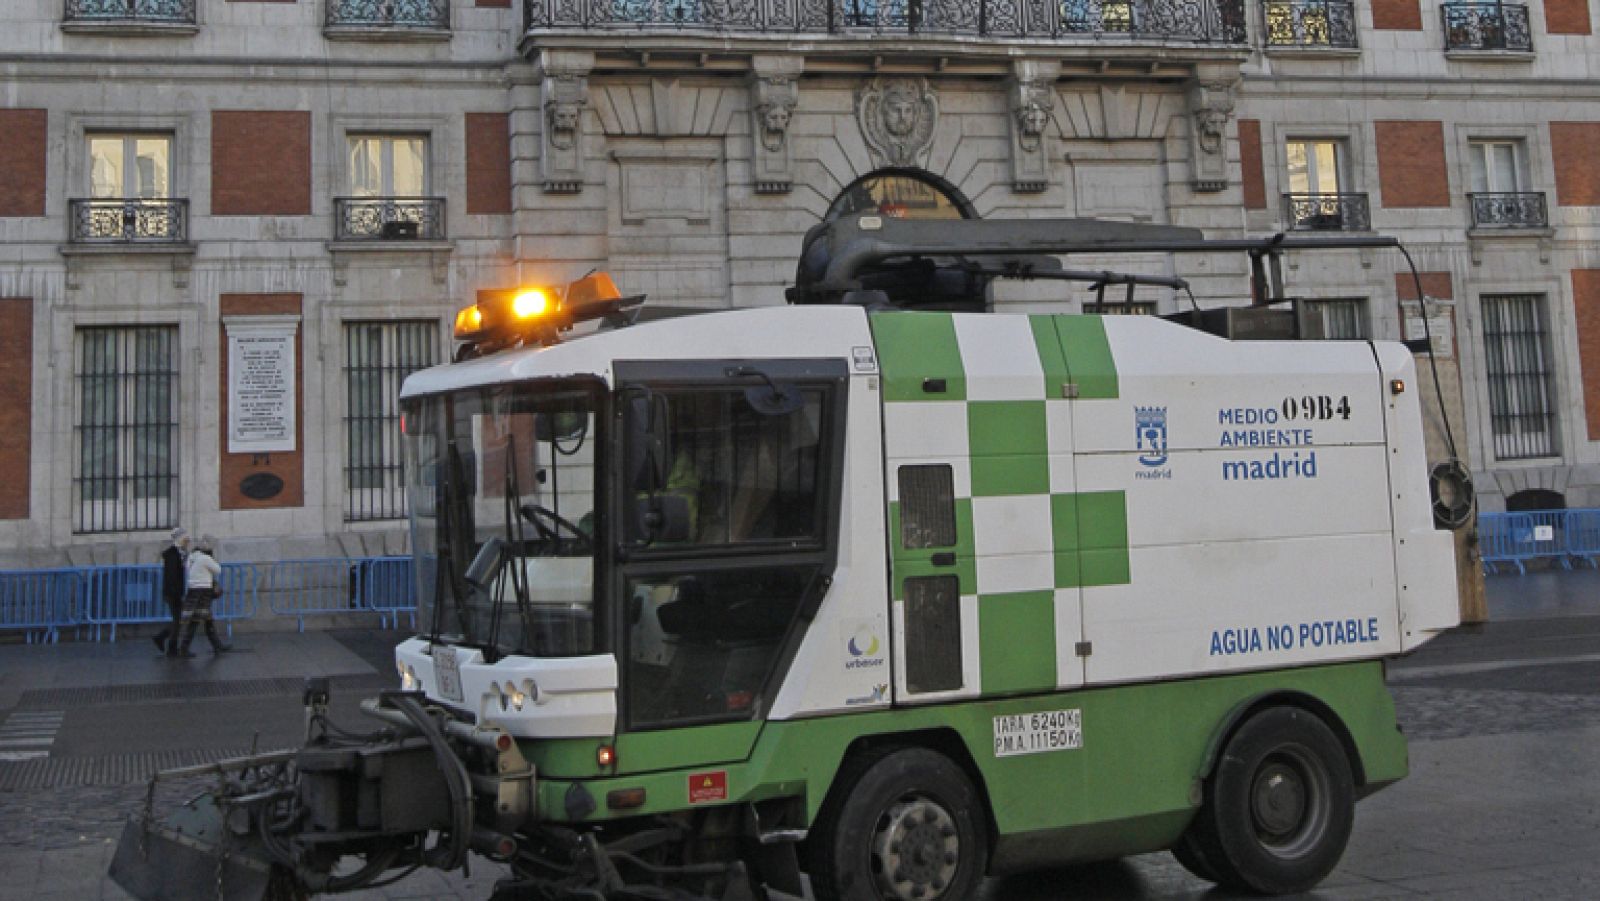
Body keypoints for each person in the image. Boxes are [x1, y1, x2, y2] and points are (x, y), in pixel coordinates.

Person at [176, 535, 231, 657]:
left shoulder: (191, 558)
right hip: (203, 590)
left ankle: (217, 645)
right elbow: (218, 570)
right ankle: (184, 648)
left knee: (207, 619)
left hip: (193, 589)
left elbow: (187, 569)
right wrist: (212, 560)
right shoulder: (205, 558)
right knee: (197, 620)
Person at [151, 528, 190, 657]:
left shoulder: (179, 553)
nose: (187, 541)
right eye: (185, 538)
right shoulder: (173, 555)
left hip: (174, 592)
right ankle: (168, 644)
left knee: (178, 620)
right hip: (173, 593)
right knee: (178, 620)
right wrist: (176, 593)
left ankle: (166, 642)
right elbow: (172, 576)